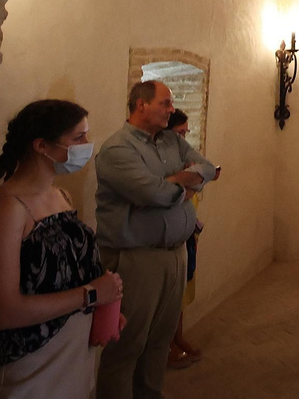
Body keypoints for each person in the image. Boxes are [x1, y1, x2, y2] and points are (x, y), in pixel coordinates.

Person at [0, 99, 125, 398]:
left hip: (73, 354)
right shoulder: (4, 208)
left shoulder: (61, 196)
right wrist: (91, 294)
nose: (87, 145)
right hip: (29, 364)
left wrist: (103, 303)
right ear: (42, 146)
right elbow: (1, 312)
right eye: (78, 138)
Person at [95, 81, 217, 399]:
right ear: (141, 105)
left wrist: (175, 184)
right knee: (128, 345)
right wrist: (180, 186)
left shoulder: (170, 143)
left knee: (160, 340)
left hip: (175, 254)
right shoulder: (117, 149)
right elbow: (154, 193)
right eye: (165, 103)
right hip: (137, 258)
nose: (171, 109)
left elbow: (207, 168)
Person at [163, 110, 210, 369]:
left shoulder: (183, 157)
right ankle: (166, 344)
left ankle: (177, 337)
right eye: (179, 133)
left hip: (187, 231)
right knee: (170, 293)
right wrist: (196, 183)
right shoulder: (162, 161)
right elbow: (174, 194)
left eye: (185, 133)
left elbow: (199, 178)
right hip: (168, 234)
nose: (184, 138)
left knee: (183, 287)